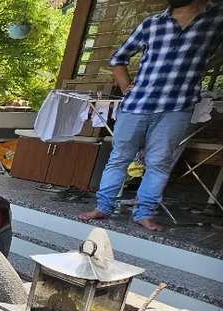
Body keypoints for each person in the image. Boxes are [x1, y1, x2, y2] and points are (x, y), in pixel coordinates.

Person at [78, 0, 223, 231]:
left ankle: (144, 213)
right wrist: (126, 88)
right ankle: (103, 208)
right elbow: (118, 59)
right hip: (137, 104)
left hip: (176, 108)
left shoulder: (215, 21)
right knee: (119, 158)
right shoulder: (152, 24)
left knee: (159, 163)